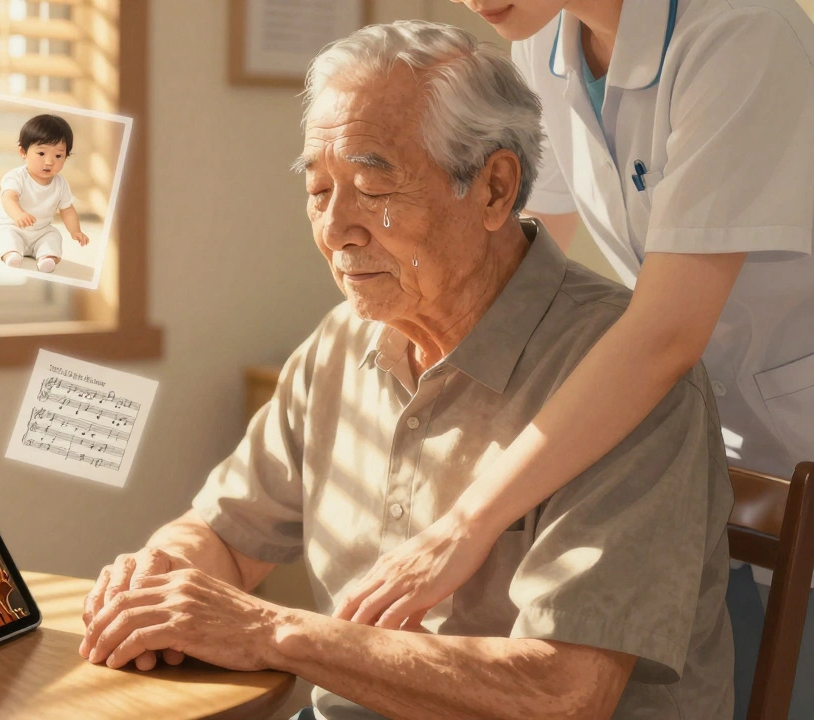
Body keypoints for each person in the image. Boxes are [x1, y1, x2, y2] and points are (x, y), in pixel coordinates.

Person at [79, 22, 734, 719]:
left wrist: (270, 632)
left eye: (370, 187)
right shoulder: (343, 344)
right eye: (319, 190)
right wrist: (163, 578)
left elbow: (562, 691)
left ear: (494, 189)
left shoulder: (622, 384)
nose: (335, 229)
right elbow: (223, 536)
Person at [348, 3, 813, 715]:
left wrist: (464, 527)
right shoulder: (548, 41)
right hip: (705, 445)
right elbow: (512, 266)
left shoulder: (743, 33)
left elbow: (664, 333)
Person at [0, 114, 90, 273]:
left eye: (58, 155)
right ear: (23, 152)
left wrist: (75, 231)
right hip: (11, 226)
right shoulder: (16, 177)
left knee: (53, 237)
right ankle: (11, 255)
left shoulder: (60, 184)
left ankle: (46, 258)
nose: (49, 162)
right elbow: (9, 198)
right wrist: (18, 214)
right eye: (41, 154)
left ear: (66, 156)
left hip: (40, 231)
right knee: (7, 238)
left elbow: (67, 210)